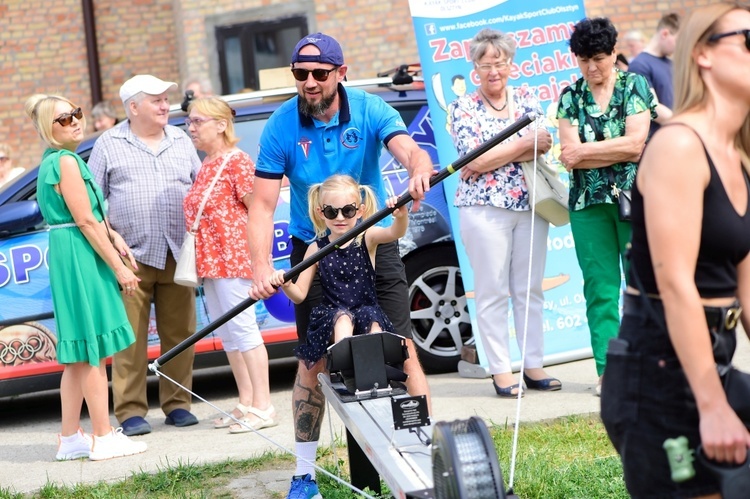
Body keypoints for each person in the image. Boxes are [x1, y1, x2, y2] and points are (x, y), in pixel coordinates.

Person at [247, 33, 433, 498]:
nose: (309, 82)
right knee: (314, 364)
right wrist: (260, 268)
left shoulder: (370, 110)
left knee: (401, 350)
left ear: (340, 73)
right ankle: (304, 474)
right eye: (300, 74)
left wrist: (417, 169)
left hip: (370, 244)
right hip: (312, 247)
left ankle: (422, 458)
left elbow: (408, 148)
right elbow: (262, 205)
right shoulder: (280, 125)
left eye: (319, 74)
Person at [601, 3, 750, 496]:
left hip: (715, 358)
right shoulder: (679, 146)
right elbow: (675, 284)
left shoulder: (740, 156)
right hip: (659, 373)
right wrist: (711, 406)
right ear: (704, 54)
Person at [24, 94, 147, 460]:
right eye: (64, 118)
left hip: (71, 250)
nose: (75, 120)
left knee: (79, 351)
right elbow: (86, 220)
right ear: (50, 128)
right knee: (91, 345)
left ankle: (69, 438)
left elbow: (91, 218)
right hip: (80, 253)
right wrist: (119, 266)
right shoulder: (66, 162)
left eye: (76, 113)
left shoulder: (54, 161)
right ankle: (103, 434)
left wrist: (115, 235)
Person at [88, 75, 202, 436]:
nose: (165, 105)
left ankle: (178, 404)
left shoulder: (181, 140)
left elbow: (200, 189)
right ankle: (131, 411)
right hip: (130, 258)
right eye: (156, 100)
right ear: (133, 107)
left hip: (176, 252)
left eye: (166, 99)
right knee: (129, 340)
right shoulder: (108, 143)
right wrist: (111, 236)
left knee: (181, 333)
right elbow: (91, 205)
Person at [446, 28, 558, 398]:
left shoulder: (526, 97)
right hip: (483, 210)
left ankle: (533, 364)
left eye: (500, 62)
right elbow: (471, 159)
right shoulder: (462, 107)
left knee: (529, 289)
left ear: (511, 64)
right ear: (474, 67)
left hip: (530, 206)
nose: (494, 70)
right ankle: (500, 371)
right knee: (492, 290)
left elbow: (543, 143)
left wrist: (493, 154)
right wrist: (521, 144)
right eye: (485, 64)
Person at [556, 18, 655, 396]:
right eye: (583, 60)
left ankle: (648, 365)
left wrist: (585, 151)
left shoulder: (635, 86)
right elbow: (569, 156)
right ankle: (608, 370)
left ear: (614, 53)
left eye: (599, 58)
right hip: (587, 204)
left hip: (634, 201)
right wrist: (590, 153)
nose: (592, 68)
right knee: (600, 288)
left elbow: (635, 145)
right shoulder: (569, 97)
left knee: (642, 284)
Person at [183, 96, 275, 434]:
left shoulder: (236, 161)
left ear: (221, 124)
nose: (190, 127)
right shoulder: (208, 163)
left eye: (197, 121)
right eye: (189, 121)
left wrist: (258, 259)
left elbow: (259, 212)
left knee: (244, 332)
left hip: (234, 258)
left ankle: (264, 405)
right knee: (229, 335)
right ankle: (247, 401)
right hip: (212, 262)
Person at [270, 175, 408, 366]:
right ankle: (349, 372)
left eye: (348, 211)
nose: (340, 218)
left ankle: (377, 372)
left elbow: (395, 232)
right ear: (320, 213)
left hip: (366, 310)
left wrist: (401, 216)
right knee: (343, 320)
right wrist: (286, 285)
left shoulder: (367, 238)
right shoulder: (316, 249)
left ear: (360, 211)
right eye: (331, 212)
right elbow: (299, 295)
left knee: (374, 324)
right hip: (333, 314)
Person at [628, 13, 681, 137]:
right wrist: (683, 124)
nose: (678, 46)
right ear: (665, 34)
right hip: (661, 138)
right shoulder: (639, 65)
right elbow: (653, 106)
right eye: (677, 40)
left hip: (677, 134)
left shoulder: (670, 63)